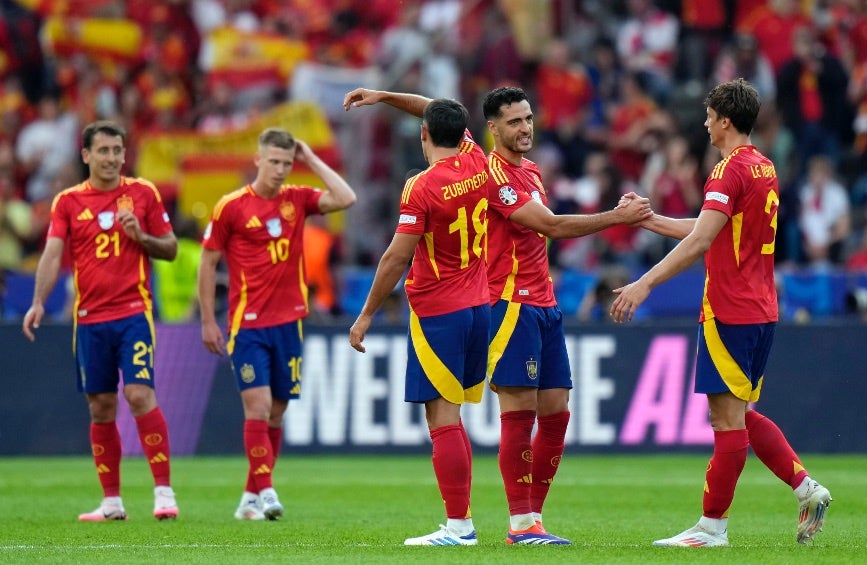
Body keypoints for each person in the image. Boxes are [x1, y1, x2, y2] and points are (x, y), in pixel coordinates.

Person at [344, 85, 651, 545]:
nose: (525, 128)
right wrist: (615, 217)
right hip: (508, 303)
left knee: (556, 413)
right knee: (517, 414)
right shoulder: (488, 171)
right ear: (491, 128)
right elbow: (550, 225)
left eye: (528, 118)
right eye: (514, 122)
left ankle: (529, 520)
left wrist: (383, 95)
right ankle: (520, 522)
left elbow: (438, 113)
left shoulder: (508, 165)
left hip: (541, 303)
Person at [610, 79, 832, 547]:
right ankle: (806, 489)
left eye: (710, 117)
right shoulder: (763, 166)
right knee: (740, 415)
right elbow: (710, 227)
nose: (706, 125)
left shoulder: (727, 170)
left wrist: (643, 283)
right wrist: (649, 219)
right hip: (761, 308)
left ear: (725, 120)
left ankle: (712, 528)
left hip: (730, 308)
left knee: (726, 422)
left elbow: (702, 241)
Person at [346, 95, 489, 546]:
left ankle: (459, 527)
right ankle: (461, 522)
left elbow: (396, 257)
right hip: (479, 307)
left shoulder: (421, 186)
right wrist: (386, 96)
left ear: (423, 134)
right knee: (454, 417)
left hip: (439, 312)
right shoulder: (477, 160)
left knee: (442, 419)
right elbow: (441, 110)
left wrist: (366, 314)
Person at [21, 120, 180, 522]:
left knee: (139, 394)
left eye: (117, 150)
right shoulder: (68, 202)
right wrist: (38, 301)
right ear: (86, 155)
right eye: (103, 150)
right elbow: (52, 254)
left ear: (124, 155)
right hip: (90, 320)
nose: (111, 158)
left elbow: (171, 248)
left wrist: (141, 237)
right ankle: (111, 502)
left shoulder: (143, 193)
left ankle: (164, 492)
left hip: (133, 314)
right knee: (101, 407)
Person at [197, 127, 357, 521]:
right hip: (247, 324)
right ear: (258, 160)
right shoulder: (231, 207)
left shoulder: (296, 200)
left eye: (287, 163)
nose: (281, 169)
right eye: (274, 161)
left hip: (289, 323)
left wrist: (311, 158)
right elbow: (208, 263)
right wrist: (207, 320)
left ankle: (249, 499)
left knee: (276, 413)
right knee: (259, 405)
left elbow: (346, 198)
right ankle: (267, 491)